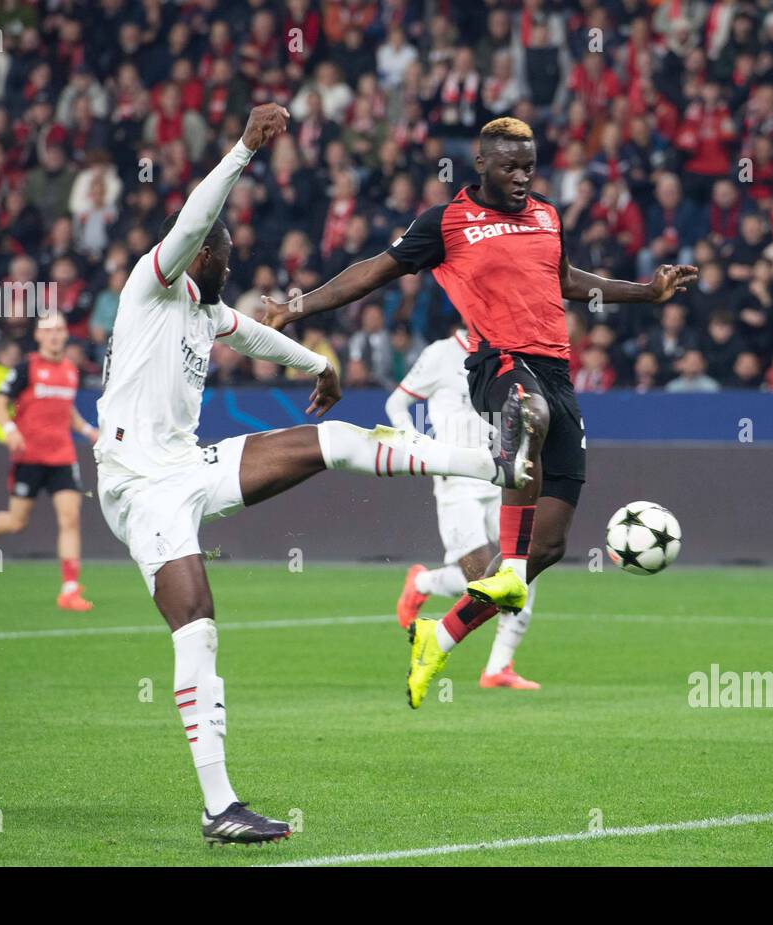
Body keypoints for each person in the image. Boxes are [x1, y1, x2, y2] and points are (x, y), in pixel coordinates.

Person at [91, 105, 531, 846]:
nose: (224, 252)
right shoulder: (153, 283)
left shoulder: (204, 309)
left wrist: (318, 364)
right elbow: (199, 218)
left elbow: (256, 335)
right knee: (196, 625)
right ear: (198, 253)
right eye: (219, 246)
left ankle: (495, 460)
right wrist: (241, 150)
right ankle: (219, 805)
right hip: (136, 482)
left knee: (330, 441)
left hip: (187, 466)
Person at [263, 116, 697, 709]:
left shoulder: (546, 214)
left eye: (530, 166)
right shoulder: (445, 223)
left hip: (557, 372)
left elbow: (565, 279)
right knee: (527, 414)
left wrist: (645, 292)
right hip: (496, 364)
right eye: (511, 167)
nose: (523, 177)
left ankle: (438, 635)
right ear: (483, 166)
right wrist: (297, 308)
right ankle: (507, 568)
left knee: (549, 545)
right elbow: (374, 270)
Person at [387, 326, 540, 691]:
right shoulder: (440, 353)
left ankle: (498, 668)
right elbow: (397, 402)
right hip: (456, 478)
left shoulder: (512, 349)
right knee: (479, 579)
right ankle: (424, 581)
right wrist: (414, 443)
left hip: (501, 475)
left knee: (523, 568)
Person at [0, 313, 100, 612]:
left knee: (70, 518)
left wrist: (87, 430)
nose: (55, 335)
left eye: (59, 329)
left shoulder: (70, 370)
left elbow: (65, 410)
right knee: (17, 522)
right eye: (48, 330)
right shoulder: (25, 369)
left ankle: (69, 589)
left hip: (62, 456)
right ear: (39, 336)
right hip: (29, 456)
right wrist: (10, 429)